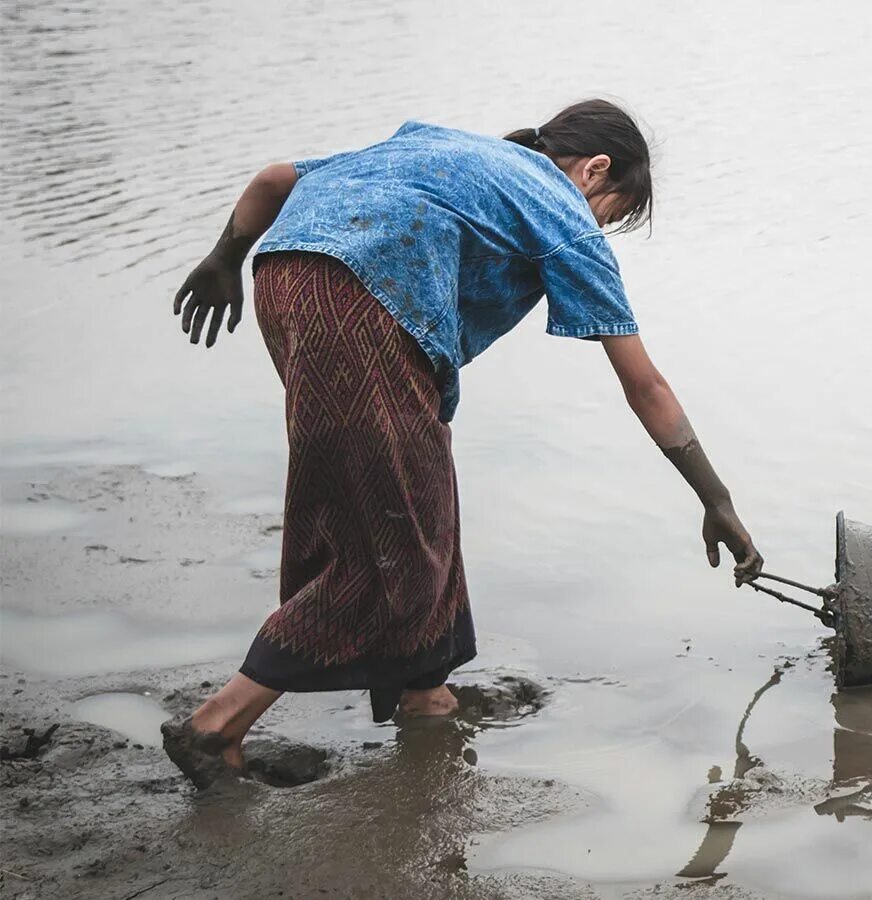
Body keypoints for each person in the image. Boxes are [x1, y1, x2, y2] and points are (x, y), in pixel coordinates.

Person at [161, 99, 763, 788]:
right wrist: (715, 498)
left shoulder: (441, 148)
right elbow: (644, 385)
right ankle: (217, 725)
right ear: (595, 170)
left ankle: (426, 696)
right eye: (612, 211)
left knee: (413, 504)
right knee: (391, 545)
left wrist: (222, 259)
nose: (600, 227)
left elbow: (274, 180)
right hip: (366, 306)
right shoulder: (561, 208)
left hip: (286, 283)